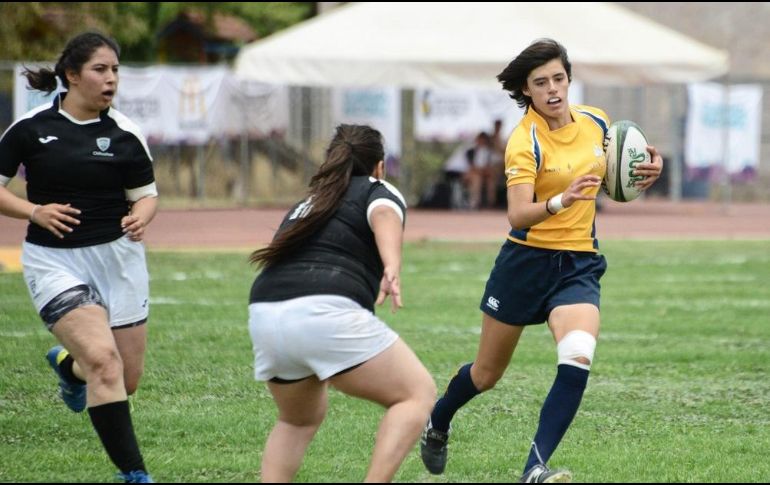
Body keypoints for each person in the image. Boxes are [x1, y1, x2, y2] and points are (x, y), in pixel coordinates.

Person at [419, 38, 662, 483]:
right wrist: (559, 201)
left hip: (578, 264)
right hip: (525, 264)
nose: (552, 89)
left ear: (569, 79)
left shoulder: (597, 122)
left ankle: (535, 468)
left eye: (558, 78)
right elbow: (517, 213)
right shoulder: (523, 140)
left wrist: (646, 169)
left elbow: (614, 181)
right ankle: (438, 421)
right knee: (486, 374)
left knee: (577, 354)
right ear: (526, 91)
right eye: (540, 83)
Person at [0, 32, 157, 483]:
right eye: (100, 70)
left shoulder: (125, 134)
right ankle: (134, 475)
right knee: (104, 364)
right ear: (71, 75)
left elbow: (146, 196)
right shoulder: (30, 129)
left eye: (115, 70)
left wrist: (141, 217)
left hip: (119, 260)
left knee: (124, 380)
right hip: (55, 262)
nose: (111, 79)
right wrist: (34, 211)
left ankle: (68, 365)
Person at [248, 124, 436, 482]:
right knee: (417, 394)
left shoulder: (310, 200)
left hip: (265, 312)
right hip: (323, 312)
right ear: (379, 166)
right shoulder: (377, 189)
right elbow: (383, 214)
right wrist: (392, 265)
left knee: (296, 419)